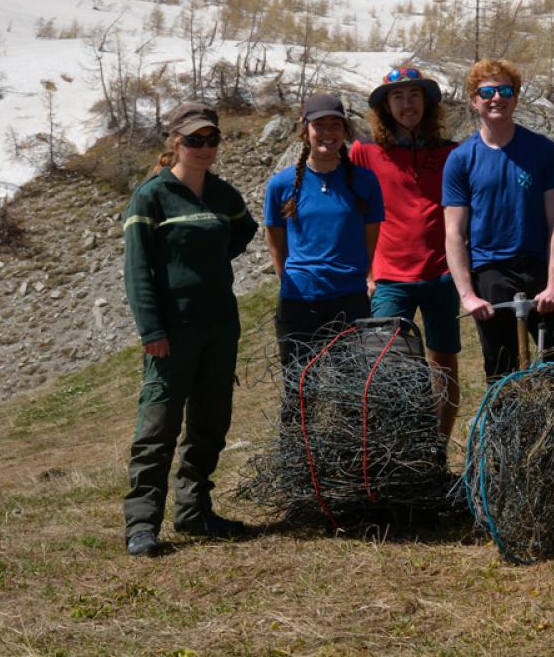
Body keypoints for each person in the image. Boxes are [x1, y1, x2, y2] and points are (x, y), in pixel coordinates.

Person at [122, 102, 258, 558]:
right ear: (174, 143)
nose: (204, 147)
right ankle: (142, 524)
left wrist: (209, 264)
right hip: (172, 333)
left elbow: (244, 232)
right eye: (194, 140)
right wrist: (151, 330)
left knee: (210, 424)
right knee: (158, 427)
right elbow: (137, 271)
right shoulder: (151, 196)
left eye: (211, 139)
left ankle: (194, 511)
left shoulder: (223, 195)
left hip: (220, 327)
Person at [442, 61, 554, 441]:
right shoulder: (462, 159)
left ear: (516, 96)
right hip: (492, 274)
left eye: (506, 91)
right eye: (487, 92)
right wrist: (467, 294)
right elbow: (454, 233)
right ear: (473, 100)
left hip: (540, 270)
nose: (497, 99)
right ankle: (509, 469)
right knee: (503, 378)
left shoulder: (541, 149)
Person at [351, 66, 462, 440]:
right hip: (388, 278)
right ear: (385, 107)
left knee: (443, 366)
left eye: (414, 95)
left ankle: (438, 450)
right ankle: (397, 453)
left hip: (442, 275)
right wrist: (363, 272)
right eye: (397, 97)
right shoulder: (365, 152)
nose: (407, 104)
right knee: (386, 369)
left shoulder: (451, 152)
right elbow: (349, 210)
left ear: (427, 103)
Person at [263, 93, 384, 368]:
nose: (327, 133)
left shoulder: (364, 182)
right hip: (299, 300)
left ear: (345, 131)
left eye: (335, 125)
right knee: (299, 387)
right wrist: (288, 281)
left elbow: (371, 237)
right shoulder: (281, 185)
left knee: (353, 385)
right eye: (320, 125)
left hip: (350, 298)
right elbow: (276, 242)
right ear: (306, 131)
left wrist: (364, 277)